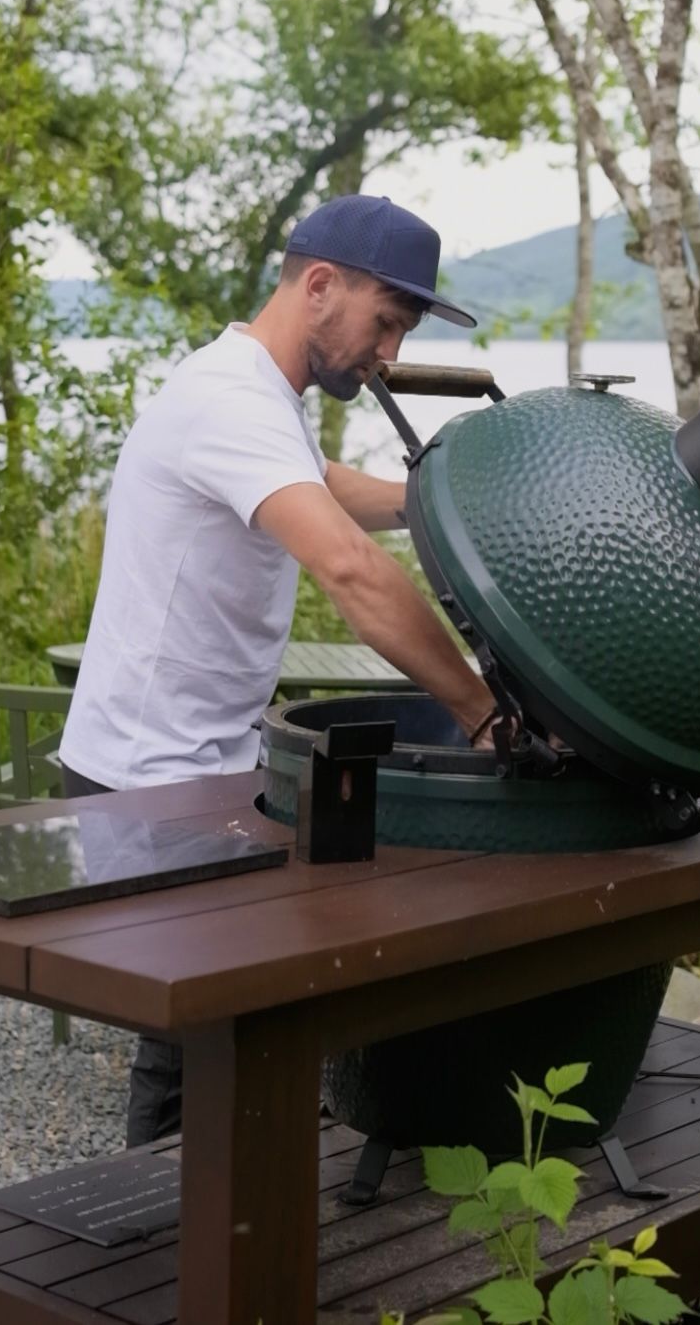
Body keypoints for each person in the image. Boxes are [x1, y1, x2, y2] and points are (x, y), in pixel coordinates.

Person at [59, 193, 496, 1144]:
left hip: (200, 766)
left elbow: (339, 489)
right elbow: (347, 564)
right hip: (148, 778)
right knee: (194, 1049)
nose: (388, 356)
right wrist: (481, 707)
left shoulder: (264, 401)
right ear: (321, 286)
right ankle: (164, 1266)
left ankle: (212, 1235)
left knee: (233, 1028)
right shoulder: (229, 397)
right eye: (386, 325)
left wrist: (455, 495)